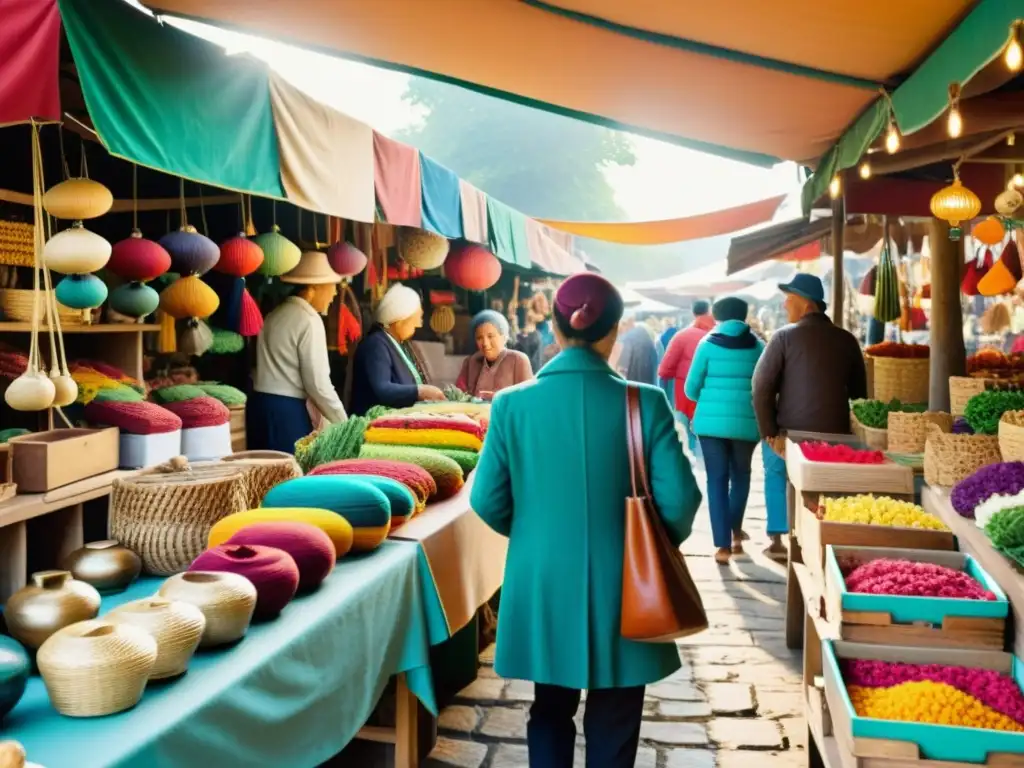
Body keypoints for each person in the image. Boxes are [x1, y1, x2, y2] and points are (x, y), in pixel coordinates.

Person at [471, 273, 702, 768]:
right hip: (627, 583)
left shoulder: (511, 405)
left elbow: (487, 500)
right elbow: (682, 500)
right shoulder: (645, 403)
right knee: (617, 716)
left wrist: (536, 532)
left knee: (549, 709)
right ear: (614, 332)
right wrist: (650, 544)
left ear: (555, 330)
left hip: (543, 579)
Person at [752, 274, 868, 560]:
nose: (783, 306)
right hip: (838, 438)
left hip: (792, 436)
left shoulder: (783, 338)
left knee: (775, 471)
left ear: (806, 306)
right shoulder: (847, 340)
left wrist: (769, 432)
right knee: (826, 491)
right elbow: (859, 392)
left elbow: (760, 386)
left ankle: (780, 540)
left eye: (789, 300)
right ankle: (824, 544)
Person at [684, 297, 765, 564]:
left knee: (716, 480)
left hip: (711, 427)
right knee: (741, 475)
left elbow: (690, 389)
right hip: (746, 424)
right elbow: (764, 388)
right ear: (744, 316)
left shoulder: (706, 344)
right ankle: (736, 534)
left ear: (717, 317)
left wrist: (707, 399)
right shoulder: (759, 347)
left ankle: (722, 547)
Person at [249, 252, 346, 453]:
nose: (335, 293)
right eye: (332, 286)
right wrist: (343, 422)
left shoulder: (274, 314)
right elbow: (317, 384)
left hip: (259, 406)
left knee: (262, 478)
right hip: (287, 411)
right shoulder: (309, 319)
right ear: (313, 288)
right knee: (291, 477)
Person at [350, 284, 446, 415]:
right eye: (414, 322)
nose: (416, 327)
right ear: (399, 321)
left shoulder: (396, 343)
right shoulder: (376, 345)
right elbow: (382, 389)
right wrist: (420, 391)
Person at [659, 300, 716, 458]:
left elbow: (664, 370)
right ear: (710, 312)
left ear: (693, 313)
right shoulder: (720, 336)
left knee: (686, 443)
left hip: (683, 396)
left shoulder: (681, 336)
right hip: (711, 398)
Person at [455, 310, 534, 399]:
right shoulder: (471, 362)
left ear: (504, 337)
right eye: (479, 338)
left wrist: (498, 398)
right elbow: (459, 396)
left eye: (490, 336)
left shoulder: (518, 360)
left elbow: (528, 398)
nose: (485, 343)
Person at [615, 315, 658, 385]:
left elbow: (621, 371)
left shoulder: (626, 340)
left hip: (631, 389)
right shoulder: (647, 338)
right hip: (648, 388)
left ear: (625, 323)